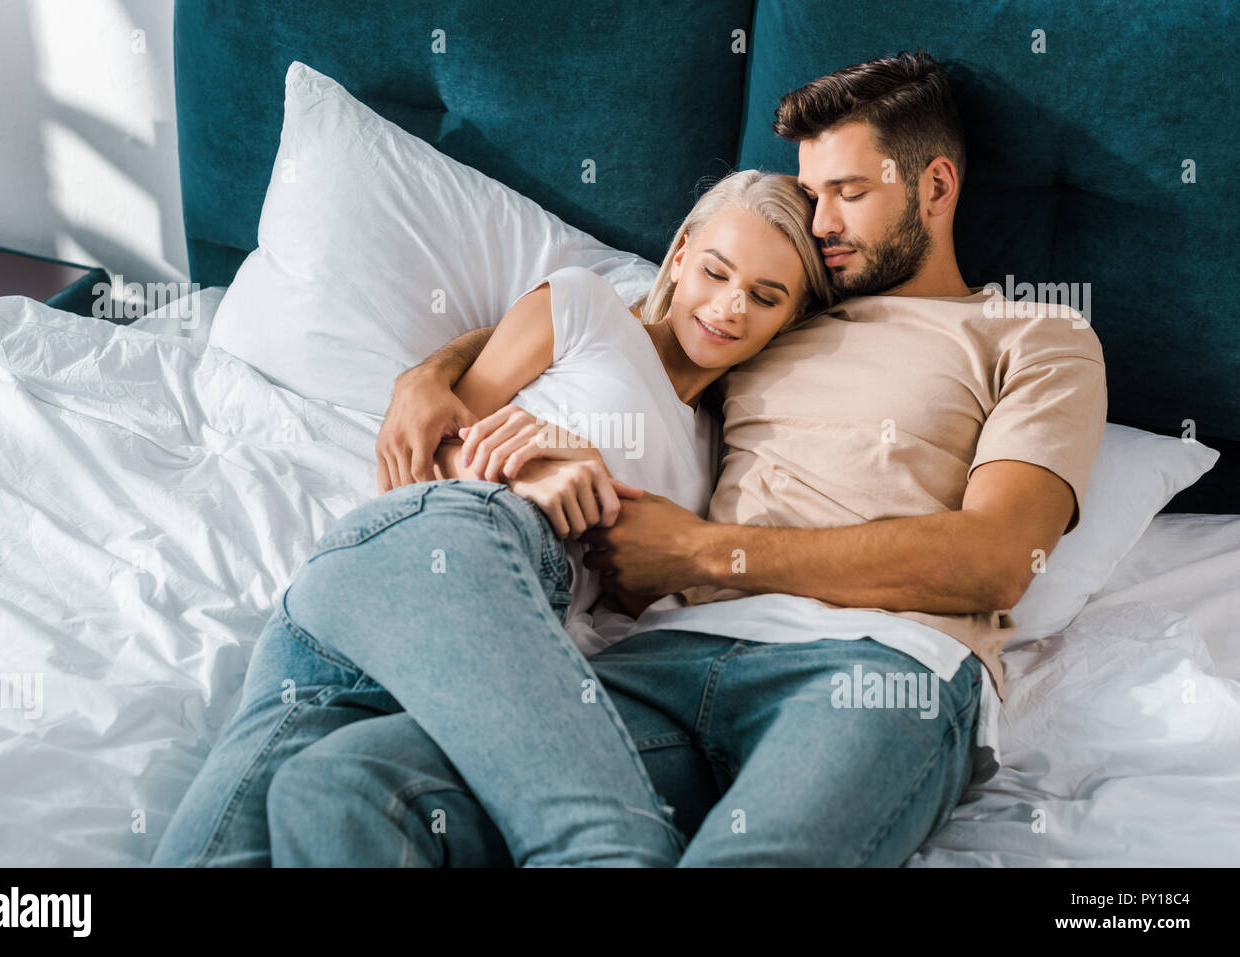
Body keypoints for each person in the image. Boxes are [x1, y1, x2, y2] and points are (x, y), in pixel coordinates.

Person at [342, 50, 1107, 866]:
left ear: (936, 187)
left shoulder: (1037, 336)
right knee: (357, 780)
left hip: (876, 669)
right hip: (668, 655)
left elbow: (997, 559)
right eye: (813, 197)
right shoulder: (774, 307)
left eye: (850, 194)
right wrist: (430, 372)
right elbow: (613, 327)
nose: (820, 226)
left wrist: (702, 550)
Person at [151, 168, 833, 867]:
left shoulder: (714, 456)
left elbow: (635, 594)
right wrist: (536, 469)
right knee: (602, 839)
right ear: (682, 253)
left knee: (265, 833)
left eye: (765, 296)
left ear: (791, 318)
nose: (729, 306)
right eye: (717, 272)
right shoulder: (584, 308)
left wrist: (592, 489)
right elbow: (432, 455)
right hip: (430, 544)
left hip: (454, 631)